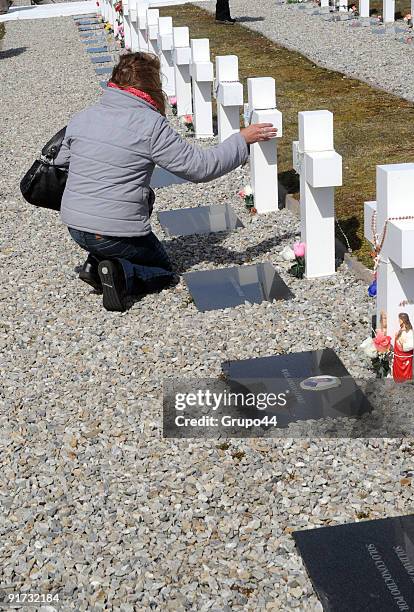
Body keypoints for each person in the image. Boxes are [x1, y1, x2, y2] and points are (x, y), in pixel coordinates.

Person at [55, 52, 277, 312]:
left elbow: (61, 161)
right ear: (151, 85)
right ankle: (118, 274)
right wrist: (241, 140)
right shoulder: (150, 125)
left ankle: (95, 264)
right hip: (111, 232)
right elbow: (200, 167)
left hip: (75, 226)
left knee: (127, 213)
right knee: (162, 270)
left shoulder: (84, 116)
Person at [392, 313, 414, 383]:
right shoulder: (401, 329)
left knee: (405, 376)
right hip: (398, 357)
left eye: (399, 319)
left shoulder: (409, 331)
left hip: (405, 358)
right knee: (397, 375)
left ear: (403, 320)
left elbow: (411, 345)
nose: (398, 320)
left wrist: (402, 343)